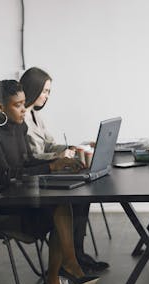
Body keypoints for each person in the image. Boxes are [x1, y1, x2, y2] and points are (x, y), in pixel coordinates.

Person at [0, 79, 99, 284]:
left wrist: (59, 161)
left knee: (61, 205)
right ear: (0, 107)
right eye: (18, 105)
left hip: (11, 198)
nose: (24, 109)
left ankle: (59, 275)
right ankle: (63, 271)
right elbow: (5, 176)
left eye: (24, 103)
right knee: (57, 211)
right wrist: (50, 167)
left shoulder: (19, 127)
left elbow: (26, 162)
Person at [20, 67, 109, 273]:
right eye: (44, 91)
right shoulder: (21, 119)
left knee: (81, 198)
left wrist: (72, 148)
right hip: (36, 181)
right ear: (32, 89)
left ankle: (76, 254)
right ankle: (72, 257)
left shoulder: (35, 115)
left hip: (46, 173)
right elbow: (32, 157)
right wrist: (60, 157)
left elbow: (50, 145)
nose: (46, 96)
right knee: (76, 199)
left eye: (49, 92)